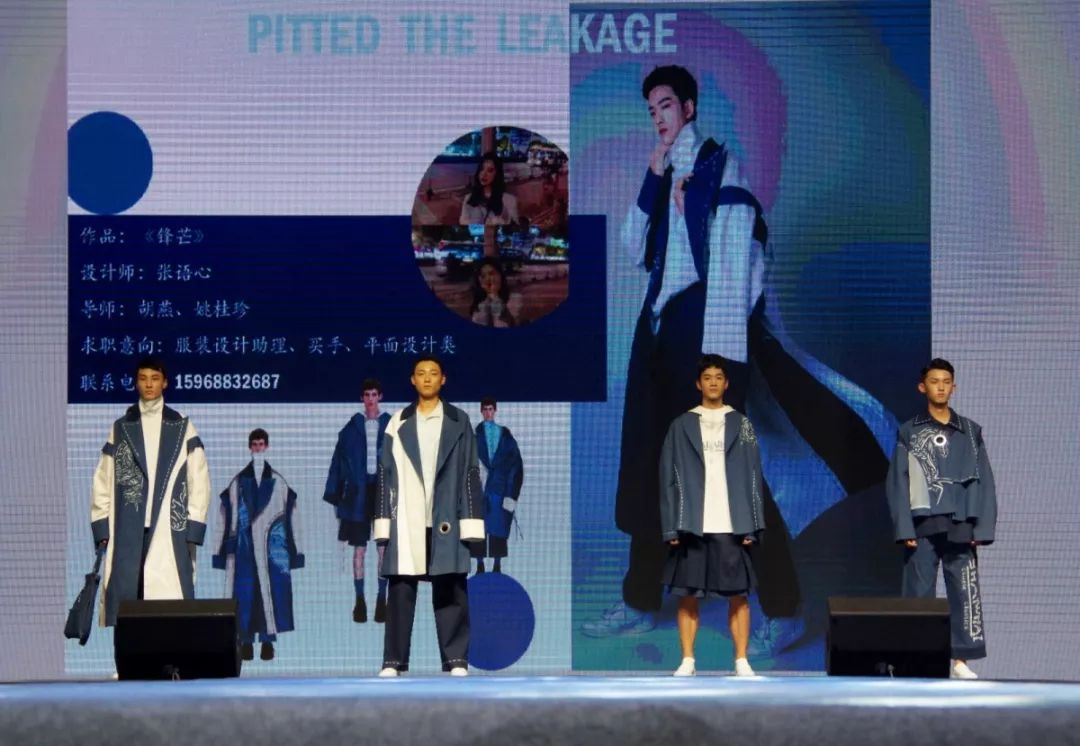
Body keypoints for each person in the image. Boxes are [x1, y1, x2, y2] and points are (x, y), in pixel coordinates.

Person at [886, 358, 997, 679]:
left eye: (946, 382)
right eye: (934, 381)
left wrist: (982, 527)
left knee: (964, 591)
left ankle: (961, 660)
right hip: (923, 522)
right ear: (923, 387)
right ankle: (915, 658)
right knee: (918, 593)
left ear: (954, 387)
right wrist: (904, 526)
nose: (941, 387)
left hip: (961, 521)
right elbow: (898, 481)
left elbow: (985, 480)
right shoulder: (910, 431)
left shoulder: (970, 431)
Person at [375, 356, 485, 677]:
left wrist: (471, 521)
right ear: (412, 380)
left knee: (451, 587)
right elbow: (384, 475)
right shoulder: (397, 421)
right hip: (407, 516)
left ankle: (456, 659)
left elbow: (471, 473)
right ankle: (393, 661)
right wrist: (383, 523)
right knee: (400, 589)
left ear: (443, 379)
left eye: (433, 373)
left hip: (446, 515)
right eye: (421, 373)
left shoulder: (458, 420)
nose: (427, 378)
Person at [660, 355, 764, 676]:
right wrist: (671, 527)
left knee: (739, 596)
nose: (714, 382)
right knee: (688, 594)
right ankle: (688, 660)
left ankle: (741, 660)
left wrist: (753, 524)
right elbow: (667, 478)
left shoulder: (742, 424)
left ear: (726, 383)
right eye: (708, 377)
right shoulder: (681, 425)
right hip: (692, 523)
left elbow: (753, 474)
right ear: (699, 384)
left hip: (731, 523)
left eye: (719, 377)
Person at [89, 356, 210, 631]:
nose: (149, 385)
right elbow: (102, 479)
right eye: (143, 379)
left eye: (155, 379)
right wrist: (101, 527)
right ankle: (129, 655)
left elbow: (199, 478)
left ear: (165, 383)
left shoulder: (181, 426)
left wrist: (194, 526)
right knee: (128, 604)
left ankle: (169, 655)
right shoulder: (121, 427)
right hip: (127, 528)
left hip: (170, 528)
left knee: (168, 604)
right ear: (136, 383)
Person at [213, 429, 304, 662]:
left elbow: (292, 515)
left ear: (267, 446)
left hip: (270, 550)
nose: (258, 448)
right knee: (245, 596)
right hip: (243, 550)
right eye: (254, 444)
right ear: (249, 447)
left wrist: (296, 552)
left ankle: (267, 642)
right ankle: (245, 642)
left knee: (268, 596)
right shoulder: (236, 483)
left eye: (261, 444)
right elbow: (224, 516)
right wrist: (220, 552)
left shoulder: (279, 482)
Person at [323, 378, 391, 624]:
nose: (370, 399)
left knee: (383, 548)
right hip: (357, 494)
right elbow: (338, 463)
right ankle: (360, 601)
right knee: (359, 548)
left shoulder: (392, 426)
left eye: (374, 394)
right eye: (366, 395)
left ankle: (381, 600)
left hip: (383, 493)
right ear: (362, 398)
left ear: (380, 397)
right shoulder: (351, 428)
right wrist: (335, 495)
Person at [471, 397, 524, 575]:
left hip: (500, 489)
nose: (488, 412)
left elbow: (516, 464)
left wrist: (512, 493)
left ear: (495, 410)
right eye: (485, 409)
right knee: (478, 526)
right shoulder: (474, 437)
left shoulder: (505, 436)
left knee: (499, 526)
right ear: (481, 411)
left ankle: (497, 564)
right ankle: (479, 564)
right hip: (480, 489)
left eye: (490, 409)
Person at [459, 152, 520, 226]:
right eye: (482, 169)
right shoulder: (468, 198)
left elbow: (514, 225)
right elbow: (463, 222)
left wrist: (500, 222)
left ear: (497, 174)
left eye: (490, 170)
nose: (484, 174)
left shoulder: (510, 200)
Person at [469, 257, 524, 328]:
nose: (488, 279)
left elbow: (504, 325)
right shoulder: (478, 303)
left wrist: (494, 295)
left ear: (500, 275)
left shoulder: (515, 299)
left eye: (491, 274)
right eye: (483, 276)